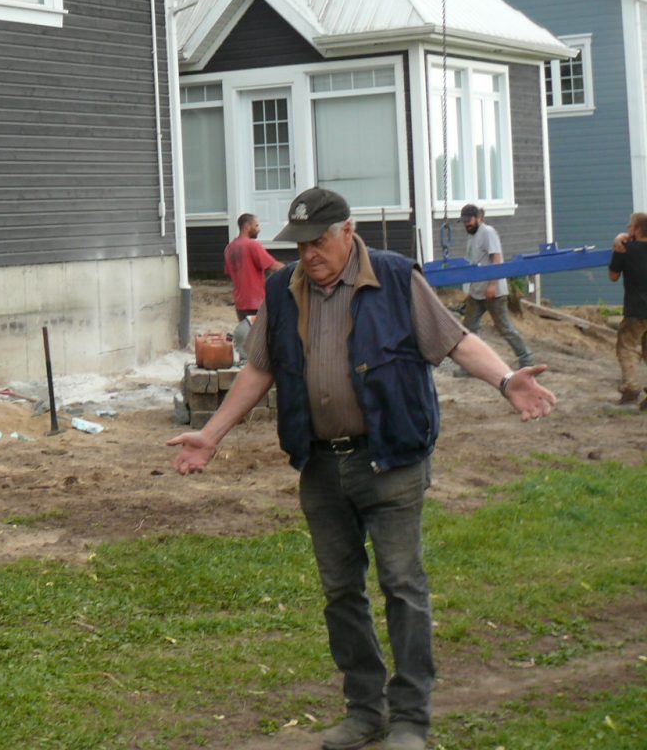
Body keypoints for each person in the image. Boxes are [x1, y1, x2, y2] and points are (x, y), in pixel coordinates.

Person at [168, 187, 556, 750]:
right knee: (341, 593)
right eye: (299, 244)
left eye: (318, 241)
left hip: (392, 459)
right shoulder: (282, 290)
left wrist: (505, 381)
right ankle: (365, 711)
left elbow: (456, 341)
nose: (308, 254)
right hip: (321, 467)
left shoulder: (396, 278)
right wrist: (211, 434)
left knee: (402, 586)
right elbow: (258, 371)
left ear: (349, 232)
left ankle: (410, 720)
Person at [457, 204, 533, 369]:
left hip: (494, 292)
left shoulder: (488, 233)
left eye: (468, 221)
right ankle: (472, 366)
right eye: (463, 221)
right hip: (477, 293)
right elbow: (475, 264)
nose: (466, 224)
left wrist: (492, 284)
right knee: (468, 330)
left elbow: (496, 259)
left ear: (478, 218)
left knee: (504, 328)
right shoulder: (471, 236)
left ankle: (526, 359)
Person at [607, 211, 647, 408]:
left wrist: (619, 243)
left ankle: (631, 391)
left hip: (636, 310)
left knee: (627, 348)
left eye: (630, 226)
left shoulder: (625, 250)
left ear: (637, 229)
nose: (627, 229)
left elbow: (613, 276)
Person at [225, 212, 281, 321]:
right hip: (256, 302)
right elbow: (273, 265)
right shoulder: (252, 245)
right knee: (260, 335)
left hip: (240, 303)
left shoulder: (229, 248)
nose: (259, 229)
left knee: (247, 334)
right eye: (256, 225)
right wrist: (296, 269)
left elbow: (229, 272)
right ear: (246, 226)